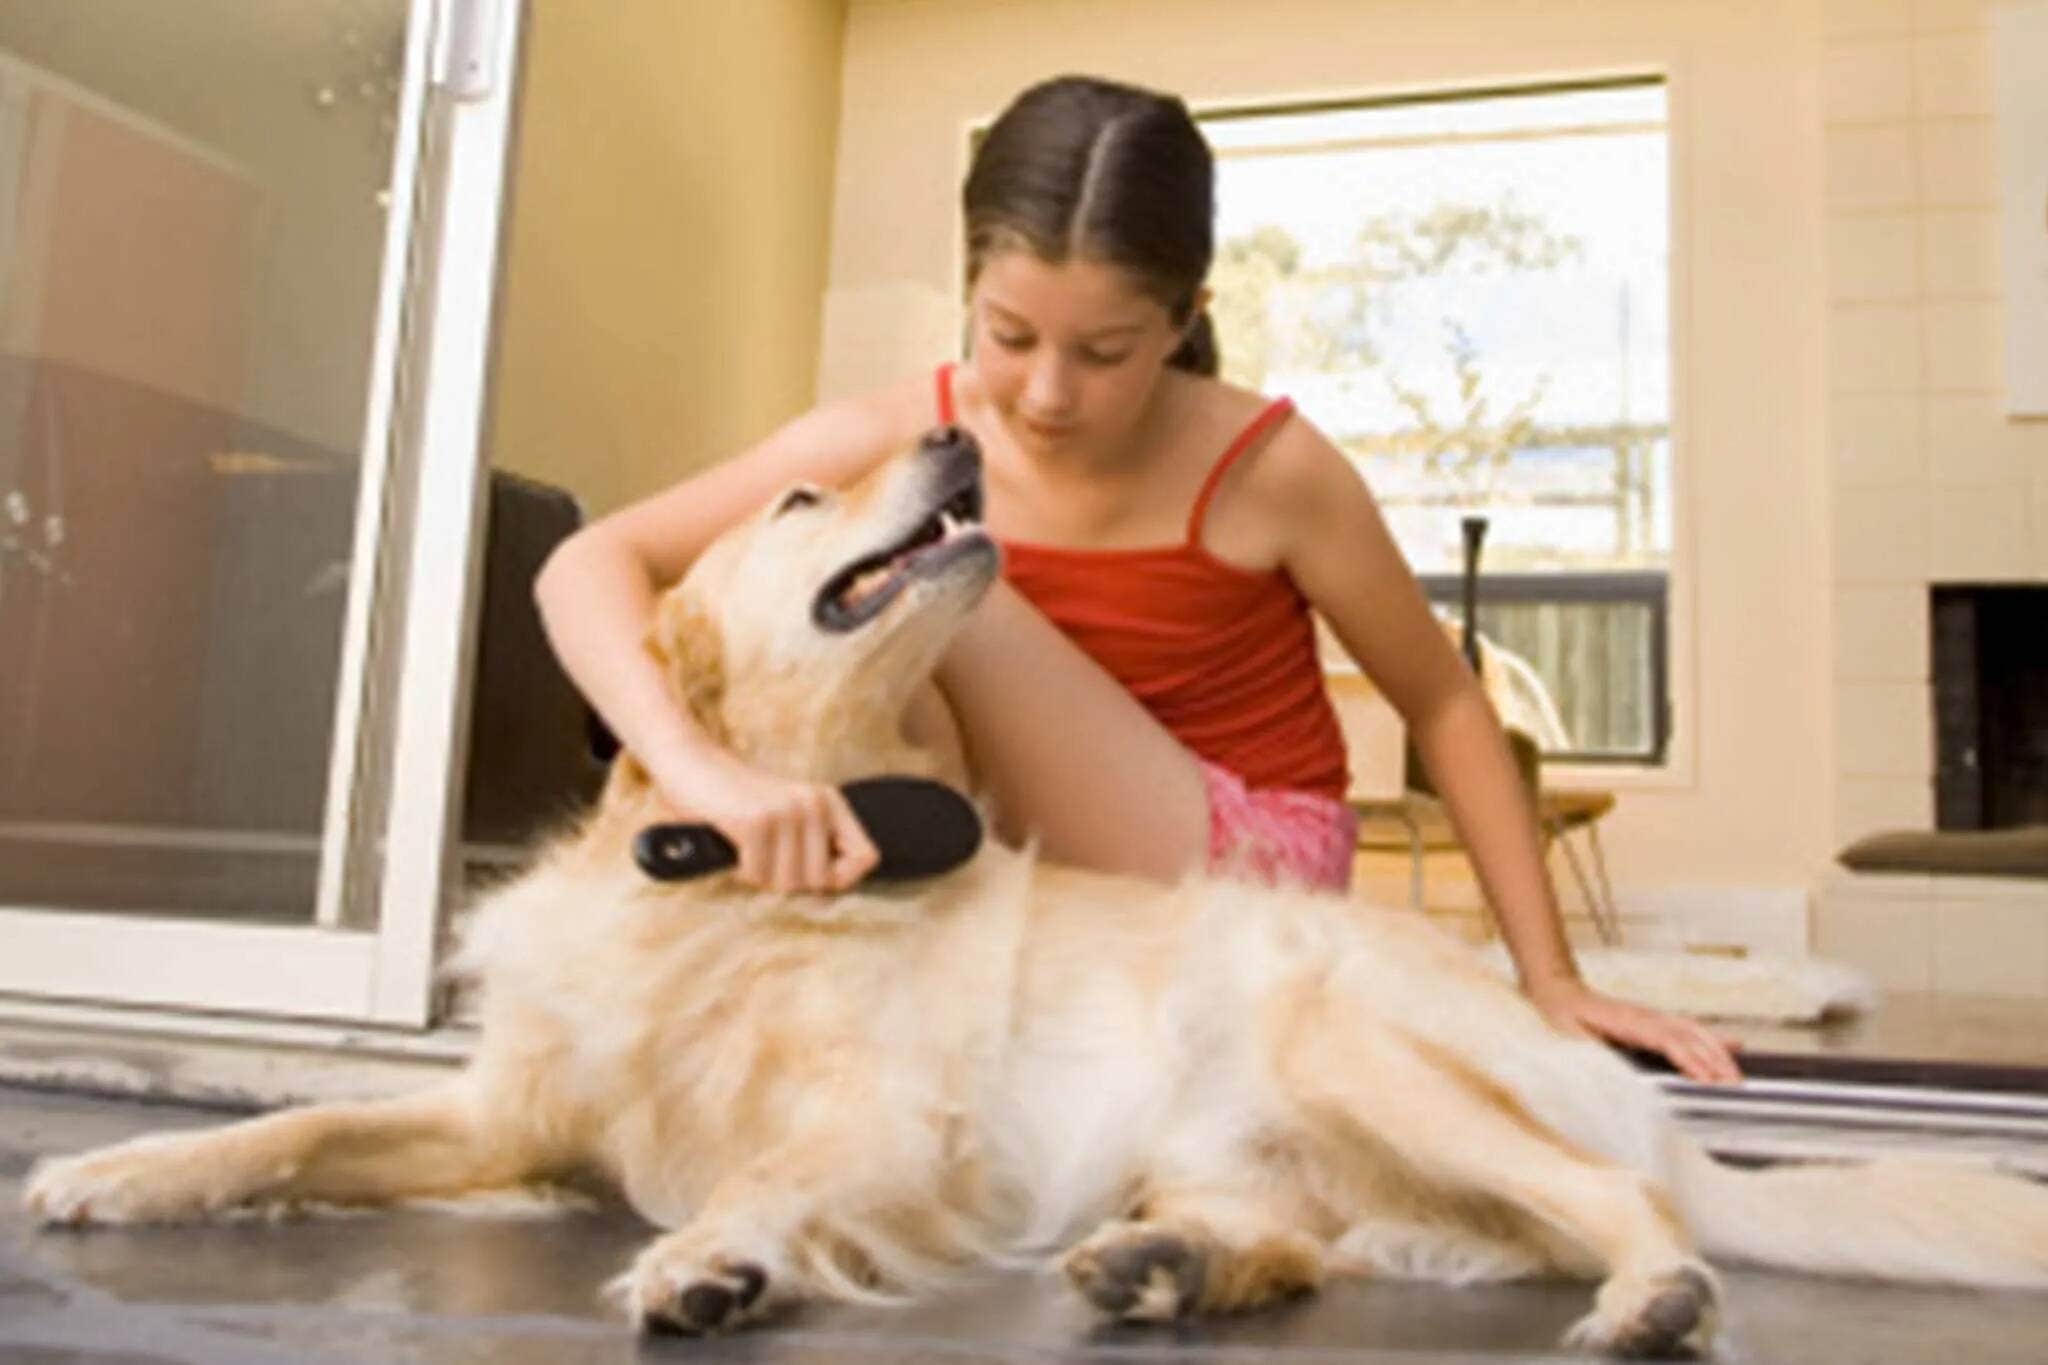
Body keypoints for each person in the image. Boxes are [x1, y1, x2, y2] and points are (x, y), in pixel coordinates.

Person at [533, 74, 1741, 1085]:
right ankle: (791, 955)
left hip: (1238, 868)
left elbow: (1443, 702)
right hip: (1043, 857)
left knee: (935, 580)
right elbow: (591, 563)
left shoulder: (1269, 468)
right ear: (969, 292)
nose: (1048, 393)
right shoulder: (916, 430)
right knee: (827, 583)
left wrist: (1548, 980)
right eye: (1008, 337)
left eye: (1102, 353)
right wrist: (704, 774)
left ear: (1183, 320)